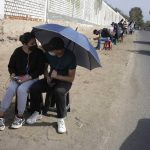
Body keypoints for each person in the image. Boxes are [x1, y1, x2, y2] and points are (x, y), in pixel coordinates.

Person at [26, 37, 77, 134]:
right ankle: (36, 112)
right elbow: (45, 67)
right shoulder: (49, 53)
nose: (49, 51)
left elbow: (71, 78)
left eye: (52, 50)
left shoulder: (70, 57)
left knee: (59, 91)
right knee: (34, 87)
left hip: (64, 81)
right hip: (51, 79)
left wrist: (58, 76)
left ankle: (61, 118)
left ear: (59, 50)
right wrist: (47, 76)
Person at [0, 32, 45, 130]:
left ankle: (19, 117)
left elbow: (40, 70)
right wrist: (12, 74)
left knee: (21, 89)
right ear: (24, 44)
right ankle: (1, 115)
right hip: (18, 77)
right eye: (32, 43)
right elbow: (11, 66)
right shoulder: (17, 52)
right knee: (11, 88)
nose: (35, 45)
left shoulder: (39, 53)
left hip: (32, 78)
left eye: (35, 42)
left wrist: (27, 77)